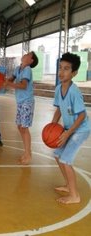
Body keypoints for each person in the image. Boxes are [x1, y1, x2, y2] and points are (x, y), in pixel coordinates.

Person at [51, 52, 90, 204]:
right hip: (69, 129)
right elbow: (59, 108)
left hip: (80, 130)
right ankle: (68, 185)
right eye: (60, 67)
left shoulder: (74, 92)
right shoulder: (58, 88)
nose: (61, 72)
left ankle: (75, 196)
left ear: (74, 73)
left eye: (66, 69)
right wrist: (53, 124)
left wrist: (67, 133)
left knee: (66, 160)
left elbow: (81, 116)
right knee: (57, 154)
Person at [4, 51, 38, 165]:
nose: (26, 54)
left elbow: (23, 85)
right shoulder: (18, 68)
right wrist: (0, 81)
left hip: (27, 102)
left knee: (24, 128)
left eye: (29, 54)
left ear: (31, 60)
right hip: (20, 102)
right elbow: (11, 79)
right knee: (20, 126)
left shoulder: (27, 69)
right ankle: (27, 151)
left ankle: (28, 154)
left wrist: (8, 84)